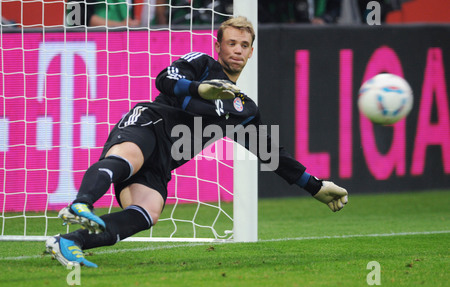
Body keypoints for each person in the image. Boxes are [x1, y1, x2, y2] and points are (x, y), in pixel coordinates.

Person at [45, 16, 348, 268]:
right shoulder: (201, 64)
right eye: (231, 43)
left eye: (244, 45)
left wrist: (316, 187)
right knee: (128, 158)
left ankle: (70, 241)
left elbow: (271, 154)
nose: (238, 50)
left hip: (164, 162)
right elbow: (164, 79)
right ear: (218, 46)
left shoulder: (242, 109)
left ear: (252, 52)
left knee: (147, 212)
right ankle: (81, 204)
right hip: (150, 124)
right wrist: (201, 88)